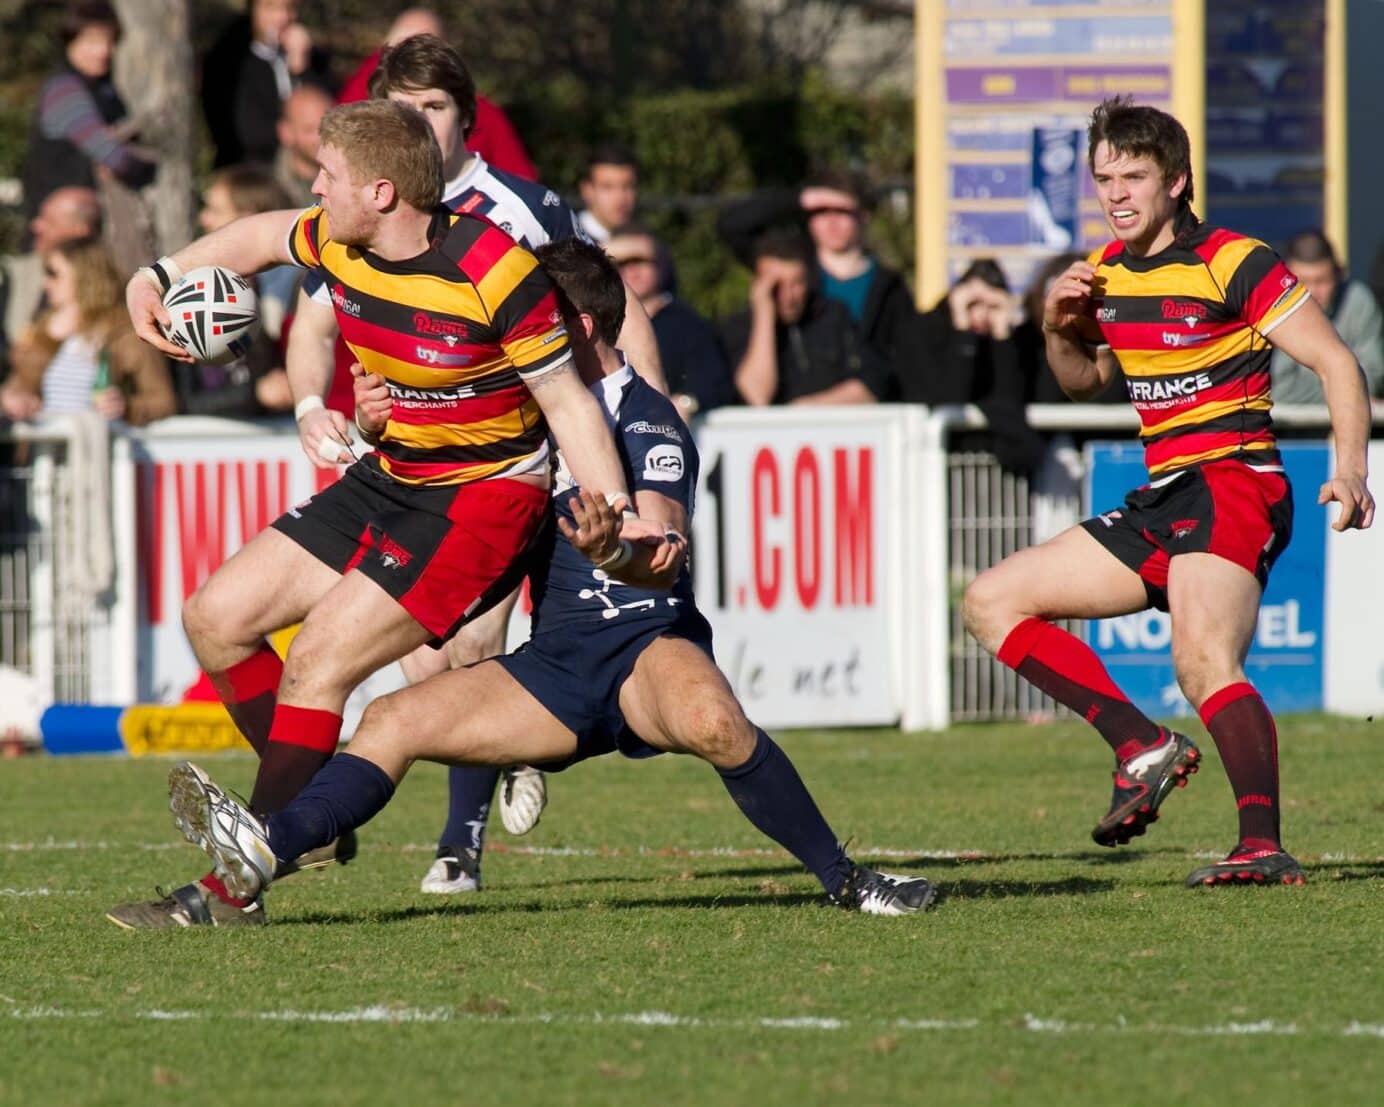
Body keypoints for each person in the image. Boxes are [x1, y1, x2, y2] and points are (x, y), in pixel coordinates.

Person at [164, 237, 937, 919]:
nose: (514, 330)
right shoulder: (523, 408)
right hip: (555, 669)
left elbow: (663, 545)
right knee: (390, 720)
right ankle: (265, 851)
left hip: (642, 647)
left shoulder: (647, 419)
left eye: (536, 317)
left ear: (583, 329)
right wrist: (375, 424)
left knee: (715, 724)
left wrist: (615, 551)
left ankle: (847, 878)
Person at [107, 99, 654, 929]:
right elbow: (254, 237)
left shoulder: (497, 272)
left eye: (328, 177)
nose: (315, 188)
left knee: (319, 659)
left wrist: (616, 513)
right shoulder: (338, 235)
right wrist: (156, 277)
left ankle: (238, 882)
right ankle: (308, 822)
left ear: (384, 191)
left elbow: (568, 403)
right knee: (215, 616)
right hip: (396, 473)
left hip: (482, 499)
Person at [285, 35, 668, 896]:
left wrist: (647, 407)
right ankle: (483, 773)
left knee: (484, 643)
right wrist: (333, 404)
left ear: (466, 117)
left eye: (433, 106)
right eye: (402, 106)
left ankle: (460, 840)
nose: (417, 120)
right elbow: (316, 322)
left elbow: (609, 297)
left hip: (534, 457)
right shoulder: (357, 214)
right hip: (434, 467)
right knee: (440, 657)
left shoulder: (521, 208)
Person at [961, 97, 1374, 888]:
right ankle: (1139, 744)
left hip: (1234, 481)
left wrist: (1351, 468)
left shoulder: (1233, 260)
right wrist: (1057, 326)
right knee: (990, 601)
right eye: (1103, 178)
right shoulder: (1106, 273)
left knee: (1202, 659)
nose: (1116, 195)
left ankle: (1262, 843)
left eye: (1134, 177)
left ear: (1177, 181)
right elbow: (1084, 384)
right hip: (1164, 494)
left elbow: (1337, 364)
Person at [717, 169, 917, 369]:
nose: (831, 222)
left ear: (863, 216)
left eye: (841, 212)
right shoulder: (794, 273)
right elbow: (731, 225)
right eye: (821, 212)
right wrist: (800, 199)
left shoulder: (890, 288)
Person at [336, 7, 538, 181]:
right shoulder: (370, 95)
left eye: (434, 107)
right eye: (401, 50)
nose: (418, 119)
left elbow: (520, 180)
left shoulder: (484, 113)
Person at [1, 236, 173, 426]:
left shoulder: (125, 331)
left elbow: (164, 402)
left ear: (84, 275)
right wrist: (15, 398)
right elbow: (19, 386)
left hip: (103, 445)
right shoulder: (42, 329)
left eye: (53, 273)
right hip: (46, 447)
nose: (46, 283)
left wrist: (126, 407)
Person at [893, 259, 1044, 472]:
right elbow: (950, 397)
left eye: (991, 306)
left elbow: (1010, 398)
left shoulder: (1009, 341)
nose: (982, 315)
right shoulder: (923, 331)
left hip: (987, 469)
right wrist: (962, 330)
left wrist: (1002, 335)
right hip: (928, 463)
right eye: (973, 304)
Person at [176, 165, 297, 417]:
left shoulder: (293, 288)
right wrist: (256, 394)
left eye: (216, 211)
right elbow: (182, 400)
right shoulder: (189, 294)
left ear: (249, 221)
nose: (204, 220)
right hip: (206, 446)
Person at [20, 3, 154, 229]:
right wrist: (146, 163)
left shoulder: (103, 89)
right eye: (91, 41)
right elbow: (113, 156)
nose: (103, 51)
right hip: (59, 231)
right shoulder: (64, 90)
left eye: (110, 41)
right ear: (70, 41)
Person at [724, 228, 887, 406]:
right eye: (777, 286)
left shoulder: (834, 316)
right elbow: (757, 396)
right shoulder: (738, 328)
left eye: (797, 283)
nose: (788, 296)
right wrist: (764, 315)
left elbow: (873, 383)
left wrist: (809, 409)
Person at [606, 226, 736, 422]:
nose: (631, 271)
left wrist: (686, 402)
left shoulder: (689, 325)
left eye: (639, 261)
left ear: (660, 265)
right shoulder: (595, 325)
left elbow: (715, 384)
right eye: (620, 264)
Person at [200, 0, 333, 168]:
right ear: (253, 11)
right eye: (271, 8)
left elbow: (330, 116)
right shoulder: (229, 63)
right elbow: (249, 132)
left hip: (307, 171)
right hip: (251, 172)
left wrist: (302, 70)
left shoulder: (313, 59)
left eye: (289, 8)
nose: (282, 17)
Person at [1269, 230, 1384, 404]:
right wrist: (1348, 391)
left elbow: (1374, 377)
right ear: (1285, 279)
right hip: (1282, 427)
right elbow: (1279, 389)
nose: (1313, 292)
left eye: (1322, 281)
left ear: (1339, 275)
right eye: (1302, 282)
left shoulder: (1357, 301)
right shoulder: (1272, 305)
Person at [2, 187, 102, 369]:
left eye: (49, 221)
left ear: (81, 230)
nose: (36, 226)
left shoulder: (105, 291)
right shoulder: (17, 274)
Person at [272, 83, 334, 209]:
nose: (322, 137)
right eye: (309, 129)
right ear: (285, 133)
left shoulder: (352, 179)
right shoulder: (272, 190)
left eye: (328, 125)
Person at [576, 144, 639, 244]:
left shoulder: (650, 244)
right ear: (586, 190)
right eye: (607, 187)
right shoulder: (565, 239)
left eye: (627, 186)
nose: (620, 198)